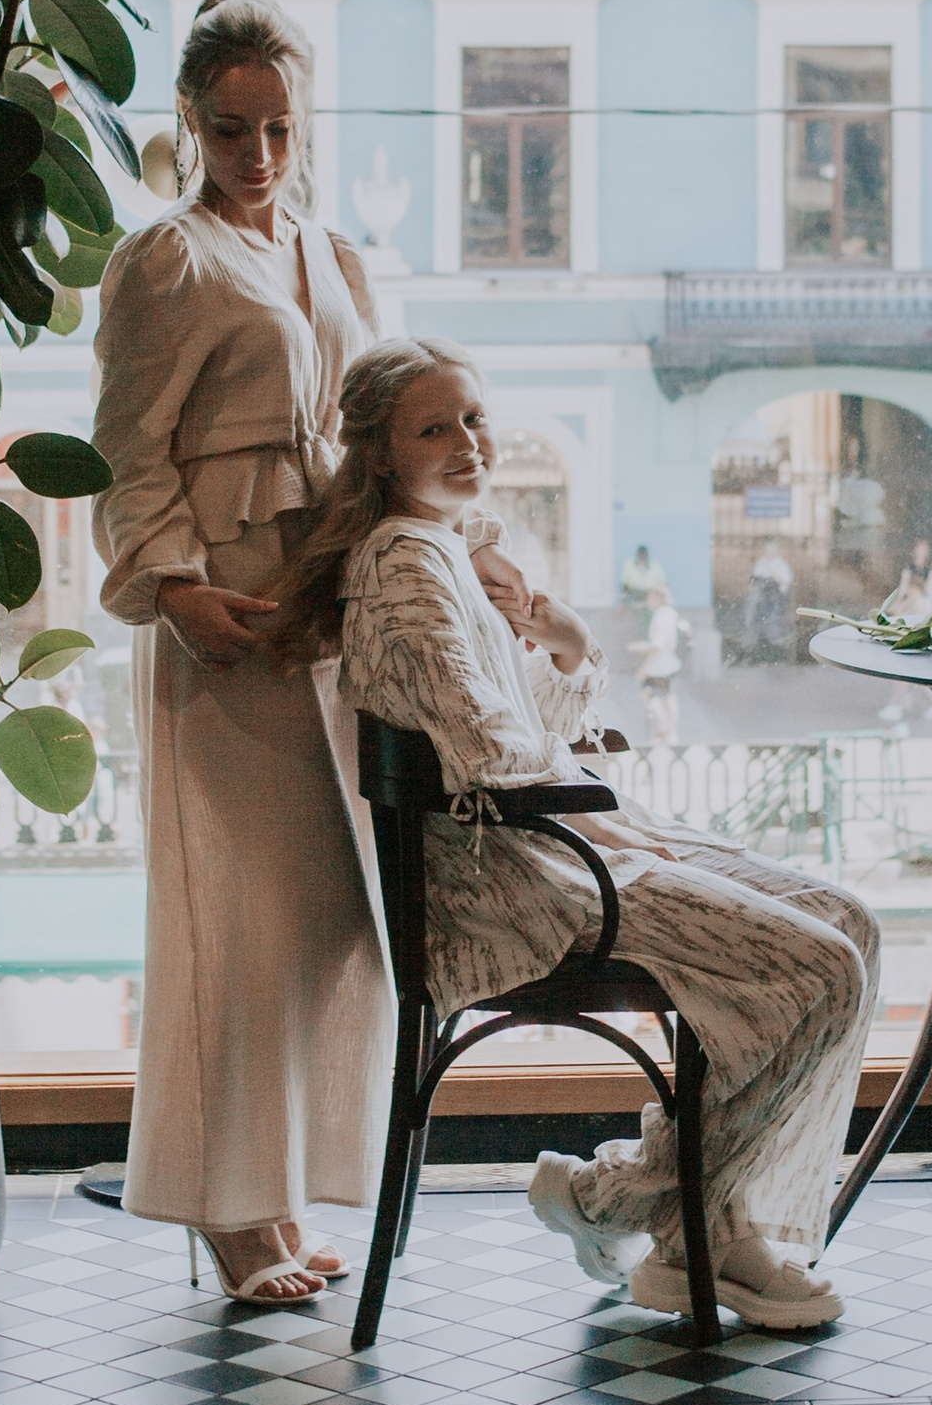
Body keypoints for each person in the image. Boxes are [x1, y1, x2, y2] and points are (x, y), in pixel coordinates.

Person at [277, 340, 880, 1334]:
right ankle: (684, 1235)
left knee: (847, 922)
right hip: (514, 889)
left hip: (561, 846)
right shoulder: (402, 567)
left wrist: (564, 638)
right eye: (436, 428)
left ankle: (648, 1206)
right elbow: (487, 756)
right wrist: (618, 824)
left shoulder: (446, 552)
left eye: (473, 418)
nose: (469, 443)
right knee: (818, 969)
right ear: (382, 454)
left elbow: (522, 727)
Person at [90, 0, 395, 1303]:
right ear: (190, 123)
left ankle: (272, 1196)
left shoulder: (332, 255)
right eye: (230, 128)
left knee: (323, 925)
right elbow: (129, 447)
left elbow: (377, 416)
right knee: (230, 928)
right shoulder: (165, 259)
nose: (255, 152)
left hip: (320, 613)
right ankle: (224, 1222)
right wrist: (172, 589)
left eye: (276, 127)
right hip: (224, 610)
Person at [631, 588, 684, 744]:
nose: (648, 601)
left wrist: (644, 667)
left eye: (650, 597)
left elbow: (657, 646)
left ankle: (664, 728)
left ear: (658, 598)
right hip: (669, 662)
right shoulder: (670, 613)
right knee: (668, 696)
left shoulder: (661, 616)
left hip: (659, 664)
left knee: (647, 692)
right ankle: (671, 731)